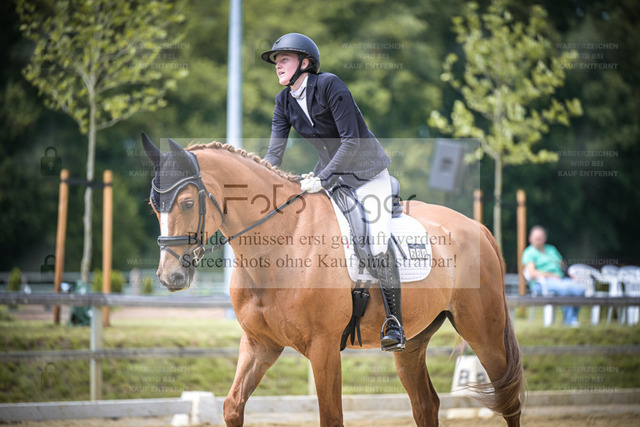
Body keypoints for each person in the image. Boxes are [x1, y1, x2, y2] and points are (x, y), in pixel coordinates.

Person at [261, 33, 405, 351]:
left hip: (367, 175)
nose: (278, 65)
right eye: (276, 61)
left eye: (284, 59)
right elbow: (274, 154)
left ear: (305, 63)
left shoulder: (329, 85)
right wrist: (258, 180)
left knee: (375, 241)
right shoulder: (283, 101)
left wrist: (322, 178)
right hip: (331, 179)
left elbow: (351, 140)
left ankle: (394, 322)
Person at [522, 225, 585, 326]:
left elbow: (562, 265)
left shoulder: (551, 249)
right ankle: (570, 321)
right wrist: (551, 275)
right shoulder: (529, 252)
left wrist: (571, 276)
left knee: (579, 289)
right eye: (536, 237)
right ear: (530, 238)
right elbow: (532, 273)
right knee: (565, 289)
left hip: (560, 280)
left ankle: (572, 318)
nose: (538, 238)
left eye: (540, 236)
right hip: (540, 283)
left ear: (545, 238)